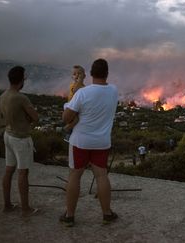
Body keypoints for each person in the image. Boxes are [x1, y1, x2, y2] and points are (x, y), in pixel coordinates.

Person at [60, 58, 118, 227]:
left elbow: (66, 118)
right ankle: (107, 213)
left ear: (91, 74)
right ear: (107, 74)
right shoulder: (113, 91)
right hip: (102, 142)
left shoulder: (82, 93)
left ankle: (69, 216)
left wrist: (67, 105)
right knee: (101, 176)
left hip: (80, 142)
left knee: (74, 176)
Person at [0, 66, 39, 217]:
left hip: (8, 135)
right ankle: (25, 209)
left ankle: (7, 205)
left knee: (9, 170)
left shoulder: (3, 95)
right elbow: (35, 117)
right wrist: (28, 118)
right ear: (21, 80)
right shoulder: (21, 97)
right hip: (21, 138)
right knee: (23, 173)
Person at [63, 65, 86, 142]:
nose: (77, 75)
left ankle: (69, 134)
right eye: (74, 74)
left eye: (79, 73)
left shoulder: (84, 87)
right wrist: (79, 82)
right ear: (72, 77)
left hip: (76, 107)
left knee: (78, 119)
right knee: (76, 119)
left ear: (84, 76)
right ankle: (67, 129)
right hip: (70, 106)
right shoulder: (73, 85)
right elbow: (76, 91)